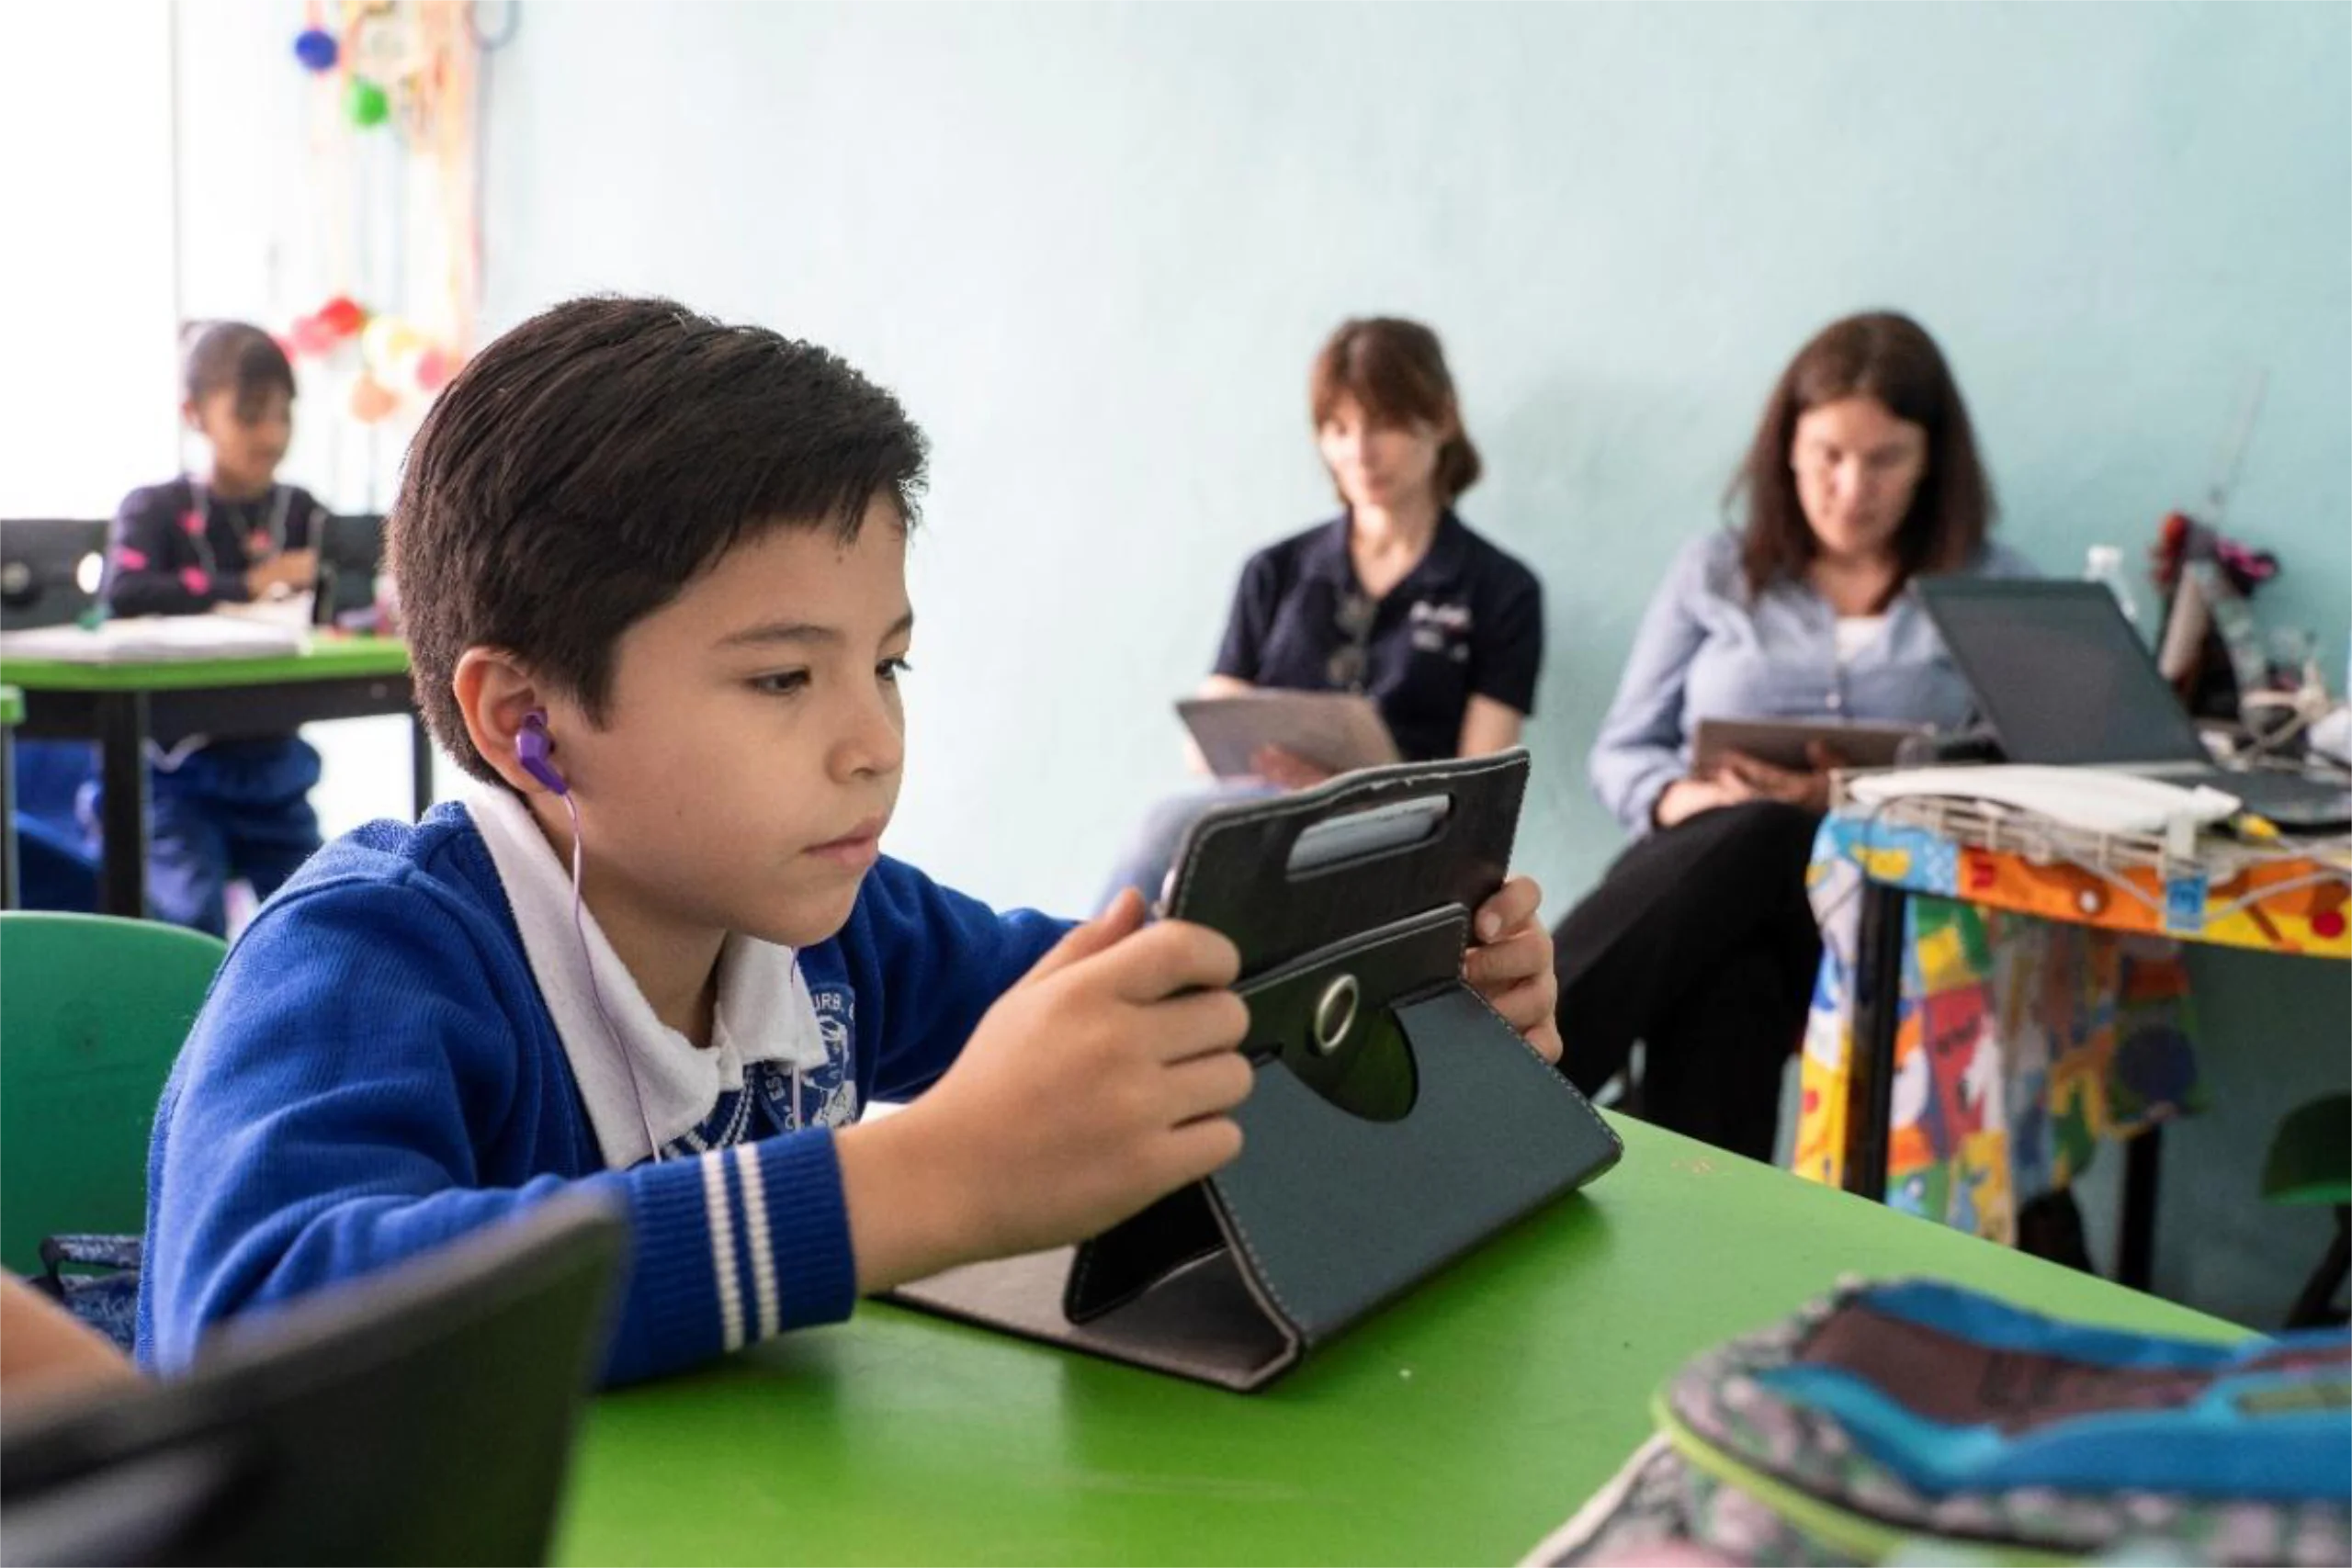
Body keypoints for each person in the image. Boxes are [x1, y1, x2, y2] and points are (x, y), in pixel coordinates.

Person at [138, 296, 1564, 1386]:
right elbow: (260, 1314)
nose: (871, 739)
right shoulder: (377, 954)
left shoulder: (831, 921)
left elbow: (1125, 1017)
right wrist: (919, 1179)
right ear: (530, 720)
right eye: (780, 676)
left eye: (887, 664)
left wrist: (1406, 984)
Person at [1551, 310, 2030, 1162]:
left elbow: (2025, 777)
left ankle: (1512, 1067)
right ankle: (1693, 1255)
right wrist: (1687, 796)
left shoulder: (1996, 590)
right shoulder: (1715, 570)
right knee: (1730, 982)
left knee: (1773, 836)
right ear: (1787, 453)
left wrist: (1836, 797)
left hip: (1889, 921)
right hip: (1712, 897)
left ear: (1931, 464)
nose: (1853, 488)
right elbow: (1624, 750)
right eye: (1829, 458)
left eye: (1885, 459)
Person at [1099, 317, 1544, 908]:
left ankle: (1072, 988)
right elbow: (1203, 745)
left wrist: (1361, 787)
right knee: (1177, 840)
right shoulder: (1275, 569)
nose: (1358, 453)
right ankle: (1074, 987)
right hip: (1264, 809)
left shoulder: (1501, 589)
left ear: (1440, 419)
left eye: (1382, 425)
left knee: (1168, 830)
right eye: (1337, 428)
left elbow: (1483, 795)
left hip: (1401, 837)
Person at [100, 321, 329, 934]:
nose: (272, 436)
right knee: (190, 926)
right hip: (175, 775)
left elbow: (346, 598)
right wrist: (246, 585)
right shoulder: (153, 510)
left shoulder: (302, 512)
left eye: (285, 416)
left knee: (324, 919)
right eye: (251, 415)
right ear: (194, 413)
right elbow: (122, 594)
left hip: (277, 768)